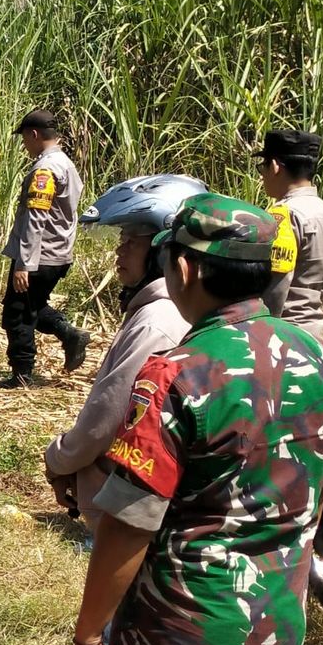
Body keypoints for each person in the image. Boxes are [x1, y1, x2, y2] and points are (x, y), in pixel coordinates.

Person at [68, 193, 323, 645]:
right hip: (273, 630)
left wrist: (89, 637)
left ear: (185, 267)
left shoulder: (177, 374)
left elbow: (130, 522)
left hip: (182, 643)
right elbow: (321, 491)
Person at [44, 175, 202, 532]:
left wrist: (59, 459)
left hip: (136, 506)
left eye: (132, 241)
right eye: (121, 239)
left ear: (162, 251)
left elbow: (107, 418)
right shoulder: (166, 309)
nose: (120, 250)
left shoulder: (156, 321)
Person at [0, 109, 90, 388]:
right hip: (58, 253)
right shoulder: (66, 164)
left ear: (34, 134)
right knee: (33, 306)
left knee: (17, 315)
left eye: (24, 138)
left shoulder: (45, 170)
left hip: (40, 255)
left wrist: (24, 263)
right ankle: (69, 334)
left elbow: (36, 218)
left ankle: (22, 375)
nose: (24, 144)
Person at [255, 129, 323, 339]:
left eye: (262, 167)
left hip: (283, 334)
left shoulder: (282, 215)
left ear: (275, 166)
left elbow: (276, 287)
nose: (262, 175)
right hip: (314, 333)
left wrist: (260, 332)